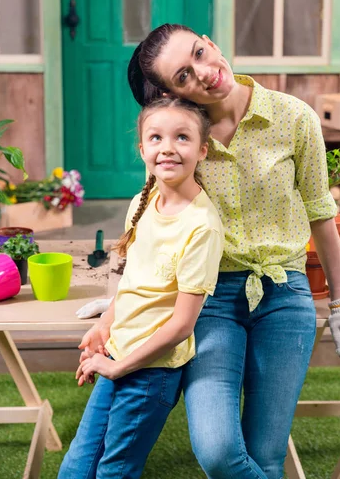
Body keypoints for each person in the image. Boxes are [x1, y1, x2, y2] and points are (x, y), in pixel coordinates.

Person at [125, 23, 340, 479]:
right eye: (183, 76)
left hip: (284, 294)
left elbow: (320, 212)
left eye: (199, 53)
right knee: (218, 452)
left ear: (210, 42)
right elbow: (161, 216)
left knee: (265, 455)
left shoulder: (294, 117)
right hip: (210, 299)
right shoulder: (181, 138)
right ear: (171, 93)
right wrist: (135, 293)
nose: (204, 72)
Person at [58, 97, 224, 479]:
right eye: (156, 137)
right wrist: (104, 327)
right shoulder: (142, 201)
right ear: (143, 149)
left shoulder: (202, 227)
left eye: (182, 137)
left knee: (115, 470)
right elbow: (133, 282)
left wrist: (117, 369)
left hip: (151, 372)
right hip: (117, 353)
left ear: (202, 149)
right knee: (76, 468)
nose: (167, 147)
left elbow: (181, 326)